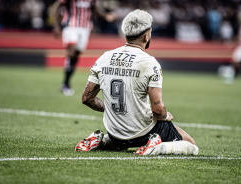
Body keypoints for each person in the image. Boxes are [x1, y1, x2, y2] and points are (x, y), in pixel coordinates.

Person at [75, 9, 199, 156]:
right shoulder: (149, 62)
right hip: (144, 133)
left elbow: (86, 98)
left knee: (119, 142)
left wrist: (112, 109)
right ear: (146, 36)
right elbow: (158, 110)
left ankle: (101, 140)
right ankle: (157, 147)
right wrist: (166, 116)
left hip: (116, 133)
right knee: (191, 145)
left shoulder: (104, 58)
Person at [53, 0, 110, 96]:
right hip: (71, 26)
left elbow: (95, 9)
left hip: (85, 28)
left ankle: (65, 83)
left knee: (76, 55)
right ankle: (66, 83)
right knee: (72, 51)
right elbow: (57, 5)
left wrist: (105, 15)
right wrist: (56, 25)